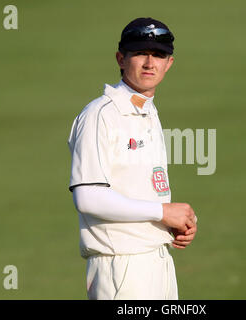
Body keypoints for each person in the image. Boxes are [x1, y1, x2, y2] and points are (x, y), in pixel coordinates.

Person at [67, 17, 197, 300]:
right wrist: (162, 212)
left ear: (169, 63)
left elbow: (140, 186)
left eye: (159, 55)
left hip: (157, 260)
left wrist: (173, 223)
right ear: (120, 59)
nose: (150, 63)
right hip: (122, 267)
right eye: (140, 53)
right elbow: (88, 197)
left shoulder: (147, 111)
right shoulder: (100, 115)